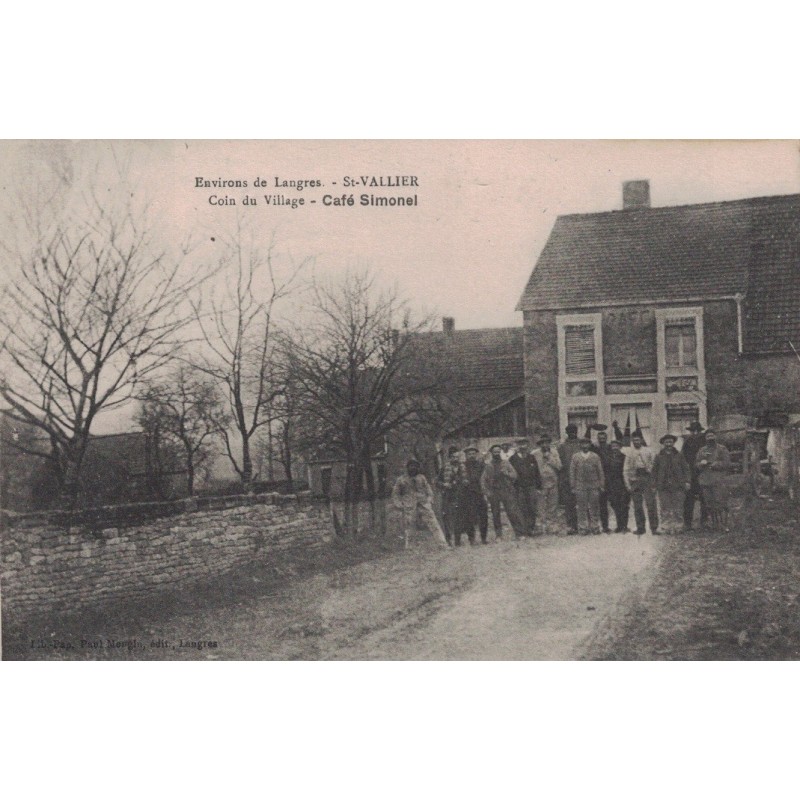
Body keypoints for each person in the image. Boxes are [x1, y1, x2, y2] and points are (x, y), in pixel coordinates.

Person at [392, 459, 449, 547]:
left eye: (415, 466)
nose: (413, 468)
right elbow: (395, 494)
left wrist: (429, 500)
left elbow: (429, 490)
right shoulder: (401, 480)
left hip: (424, 504)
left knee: (433, 523)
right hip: (409, 505)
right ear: (407, 468)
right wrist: (399, 504)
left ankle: (442, 544)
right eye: (411, 466)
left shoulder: (422, 478)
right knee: (410, 526)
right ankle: (410, 546)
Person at [480, 444, 527, 539]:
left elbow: (514, 475)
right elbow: (483, 480)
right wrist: (487, 492)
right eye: (494, 452)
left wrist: (507, 474)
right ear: (491, 453)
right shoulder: (488, 466)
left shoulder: (506, 463)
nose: (496, 453)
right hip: (494, 492)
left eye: (498, 451)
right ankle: (498, 536)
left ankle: (519, 534)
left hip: (506, 490)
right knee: (495, 514)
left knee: (512, 512)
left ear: (500, 452)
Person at [652, 434, 691, 533]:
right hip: (663, 486)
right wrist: (654, 485)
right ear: (663, 443)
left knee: (678, 507)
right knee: (665, 507)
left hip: (678, 485)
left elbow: (686, 469)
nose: (669, 444)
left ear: (673, 443)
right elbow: (654, 472)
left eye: (670, 442)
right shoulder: (658, 456)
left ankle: (678, 526)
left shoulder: (679, 455)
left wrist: (687, 481)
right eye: (666, 442)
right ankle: (666, 526)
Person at [695, 429, 732, 531]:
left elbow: (727, 463)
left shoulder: (722, 449)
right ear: (705, 438)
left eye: (712, 436)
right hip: (705, 481)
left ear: (715, 437)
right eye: (708, 436)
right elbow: (697, 464)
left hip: (718, 480)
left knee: (720, 502)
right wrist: (701, 464)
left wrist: (717, 464)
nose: (710, 438)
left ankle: (724, 525)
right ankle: (715, 524)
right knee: (709, 503)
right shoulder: (702, 450)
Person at [623, 430, 659, 535]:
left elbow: (654, 465)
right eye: (634, 440)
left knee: (651, 504)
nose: (636, 442)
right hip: (635, 479)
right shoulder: (629, 453)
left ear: (641, 440)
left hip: (647, 478)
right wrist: (628, 483)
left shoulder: (648, 451)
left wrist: (652, 477)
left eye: (638, 440)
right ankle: (640, 528)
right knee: (637, 506)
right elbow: (625, 469)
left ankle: (654, 528)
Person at [570, 436, 605, 534]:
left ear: (589, 445)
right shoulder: (575, 456)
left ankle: (595, 527)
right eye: (583, 444)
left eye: (587, 444)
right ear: (580, 445)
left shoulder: (595, 456)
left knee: (594, 506)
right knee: (581, 507)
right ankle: (583, 527)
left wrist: (601, 485)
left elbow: (600, 471)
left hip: (594, 485)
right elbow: (572, 472)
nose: (585, 446)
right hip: (580, 486)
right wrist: (573, 486)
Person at [436, 446, 470, 546]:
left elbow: (467, 480)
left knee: (459, 518)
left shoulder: (463, 467)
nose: (456, 459)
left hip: (461, 495)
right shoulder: (444, 468)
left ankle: (458, 540)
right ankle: (448, 539)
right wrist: (444, 484)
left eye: (457, 457)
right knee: (447, 517)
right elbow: (437, 482)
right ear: (450, 458)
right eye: (453, 457)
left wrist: (465, 482)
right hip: (448, 495)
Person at [509, 438, 543, 536]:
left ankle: (531, 529)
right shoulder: (513, 459)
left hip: (531, 487)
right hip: (519, 488)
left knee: (532, 508)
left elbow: (537, 473)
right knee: (521, 508)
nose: (522, 447)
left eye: (524, 444)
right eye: (520, 444)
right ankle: (522, 530)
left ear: (527, 445)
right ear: (517, 446)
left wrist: (539, 487)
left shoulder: (531, 457)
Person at [681, 421, 708, 531]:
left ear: (701, 431)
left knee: (704, 498)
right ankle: (687, 523)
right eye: (693, 431)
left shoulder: (705, 442)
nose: (695, 433)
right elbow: (683, 458)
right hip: (691, 473)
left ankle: (704, 522)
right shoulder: (687, 442)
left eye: (698, 431)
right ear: (690, 432)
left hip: (703, 473)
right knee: (688, 499)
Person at [533, 434, 562, 535]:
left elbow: (559, 466)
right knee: (540, 506)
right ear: (540, 444)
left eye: (547, 442)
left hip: (553, 482)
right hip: (540, 483)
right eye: (542, 443)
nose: (545, 445)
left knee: (552, 505)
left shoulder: (554, 452)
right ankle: (540, 527)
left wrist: (549, 458)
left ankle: (551, 526)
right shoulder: (535, 454)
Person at [558, 424, 582, 534]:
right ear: (567, 433)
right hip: (567, 479)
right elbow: (560, 464)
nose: (572, 434)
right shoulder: (562, 447)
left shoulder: (581, 445)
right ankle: (571, 526)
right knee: (569, 504)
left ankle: (582, 524)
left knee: (581, 502)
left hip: (581, 478)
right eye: (570, 432)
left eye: (574, 431)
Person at [463, 444, 489, 544]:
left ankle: (483, 538)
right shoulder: (463, 466)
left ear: (476, 454)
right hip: (467, 494)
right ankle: (471, 538)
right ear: (466, 455)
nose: (472, 455)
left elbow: (486, 477)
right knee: (469, 517)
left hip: (480, 493)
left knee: (483, 516)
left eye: (473, 453)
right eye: (469, 454)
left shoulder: (481, 465)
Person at [605, 440, 631, 532]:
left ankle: (625, 526)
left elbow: (628, 470)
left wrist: (627, 484)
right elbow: (606, 472)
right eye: (613, 446)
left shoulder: (625, 457)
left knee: (624, 505)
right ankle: (619, 526)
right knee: (615, 505)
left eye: (616, 446)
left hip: (623, 484)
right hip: (612, 485)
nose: (615, 448)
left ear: (620, 447)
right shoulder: (607, 458)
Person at [591, 427, 613, 532]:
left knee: (613, 502)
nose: (602, 439)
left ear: (606, 438)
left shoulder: (610, 448)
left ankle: (611, 526)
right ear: (597, 439)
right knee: (601, 503)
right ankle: (600, 526)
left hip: (610, 478)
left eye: (604, 438)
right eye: (600, 438)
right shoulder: (595, 448)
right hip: (598, 477)